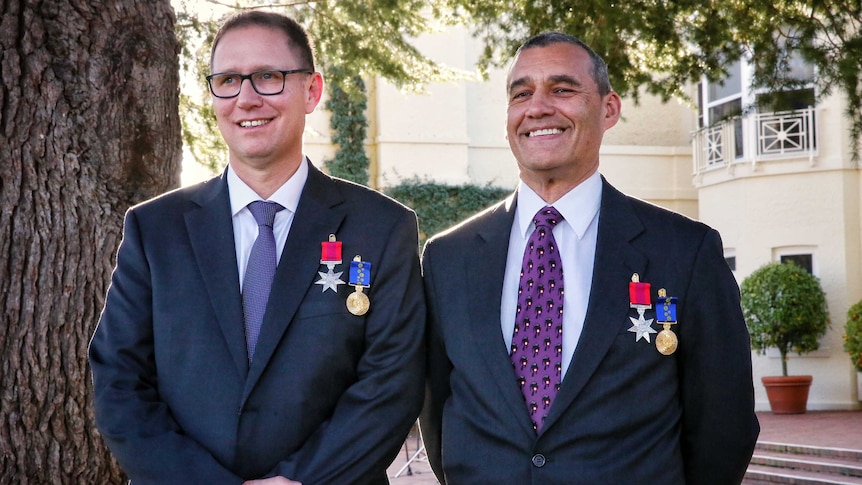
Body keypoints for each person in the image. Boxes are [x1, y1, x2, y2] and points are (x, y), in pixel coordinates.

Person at [89, 11, 424, 485]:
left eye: (268, 77)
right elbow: (120, 380)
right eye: (227, 80)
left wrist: (302, 480)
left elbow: (392, 384)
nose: (246, 98)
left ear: (311, 91)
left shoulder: (382, 229)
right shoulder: (154, 230)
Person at [420, 32, 759, 484]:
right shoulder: (447, 258)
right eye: (521, 93)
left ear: (609, 108)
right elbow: (437, 410)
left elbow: (724, 422)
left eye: (562, 89)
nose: (537, 107)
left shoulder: (684, 252)